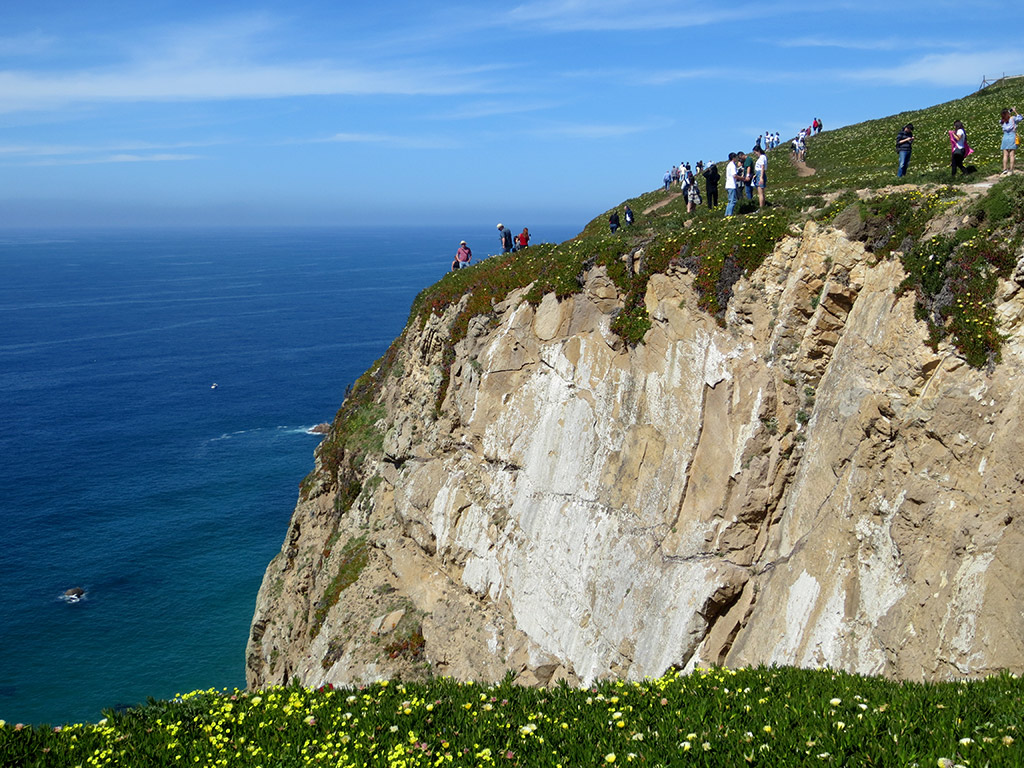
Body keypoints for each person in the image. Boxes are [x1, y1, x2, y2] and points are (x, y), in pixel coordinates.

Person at [1000, 108, 1023, 174]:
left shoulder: (1002, 121)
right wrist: (1015, 111)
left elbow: (1005, 117)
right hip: (1012, 137)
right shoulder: (1013, 118)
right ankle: (1011, 169)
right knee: (1012, 155)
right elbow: (1020, 117)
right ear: (1008, 114)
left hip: (1005, 137)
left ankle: (1004, 169)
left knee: (1005, 155)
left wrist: (1008, 112)